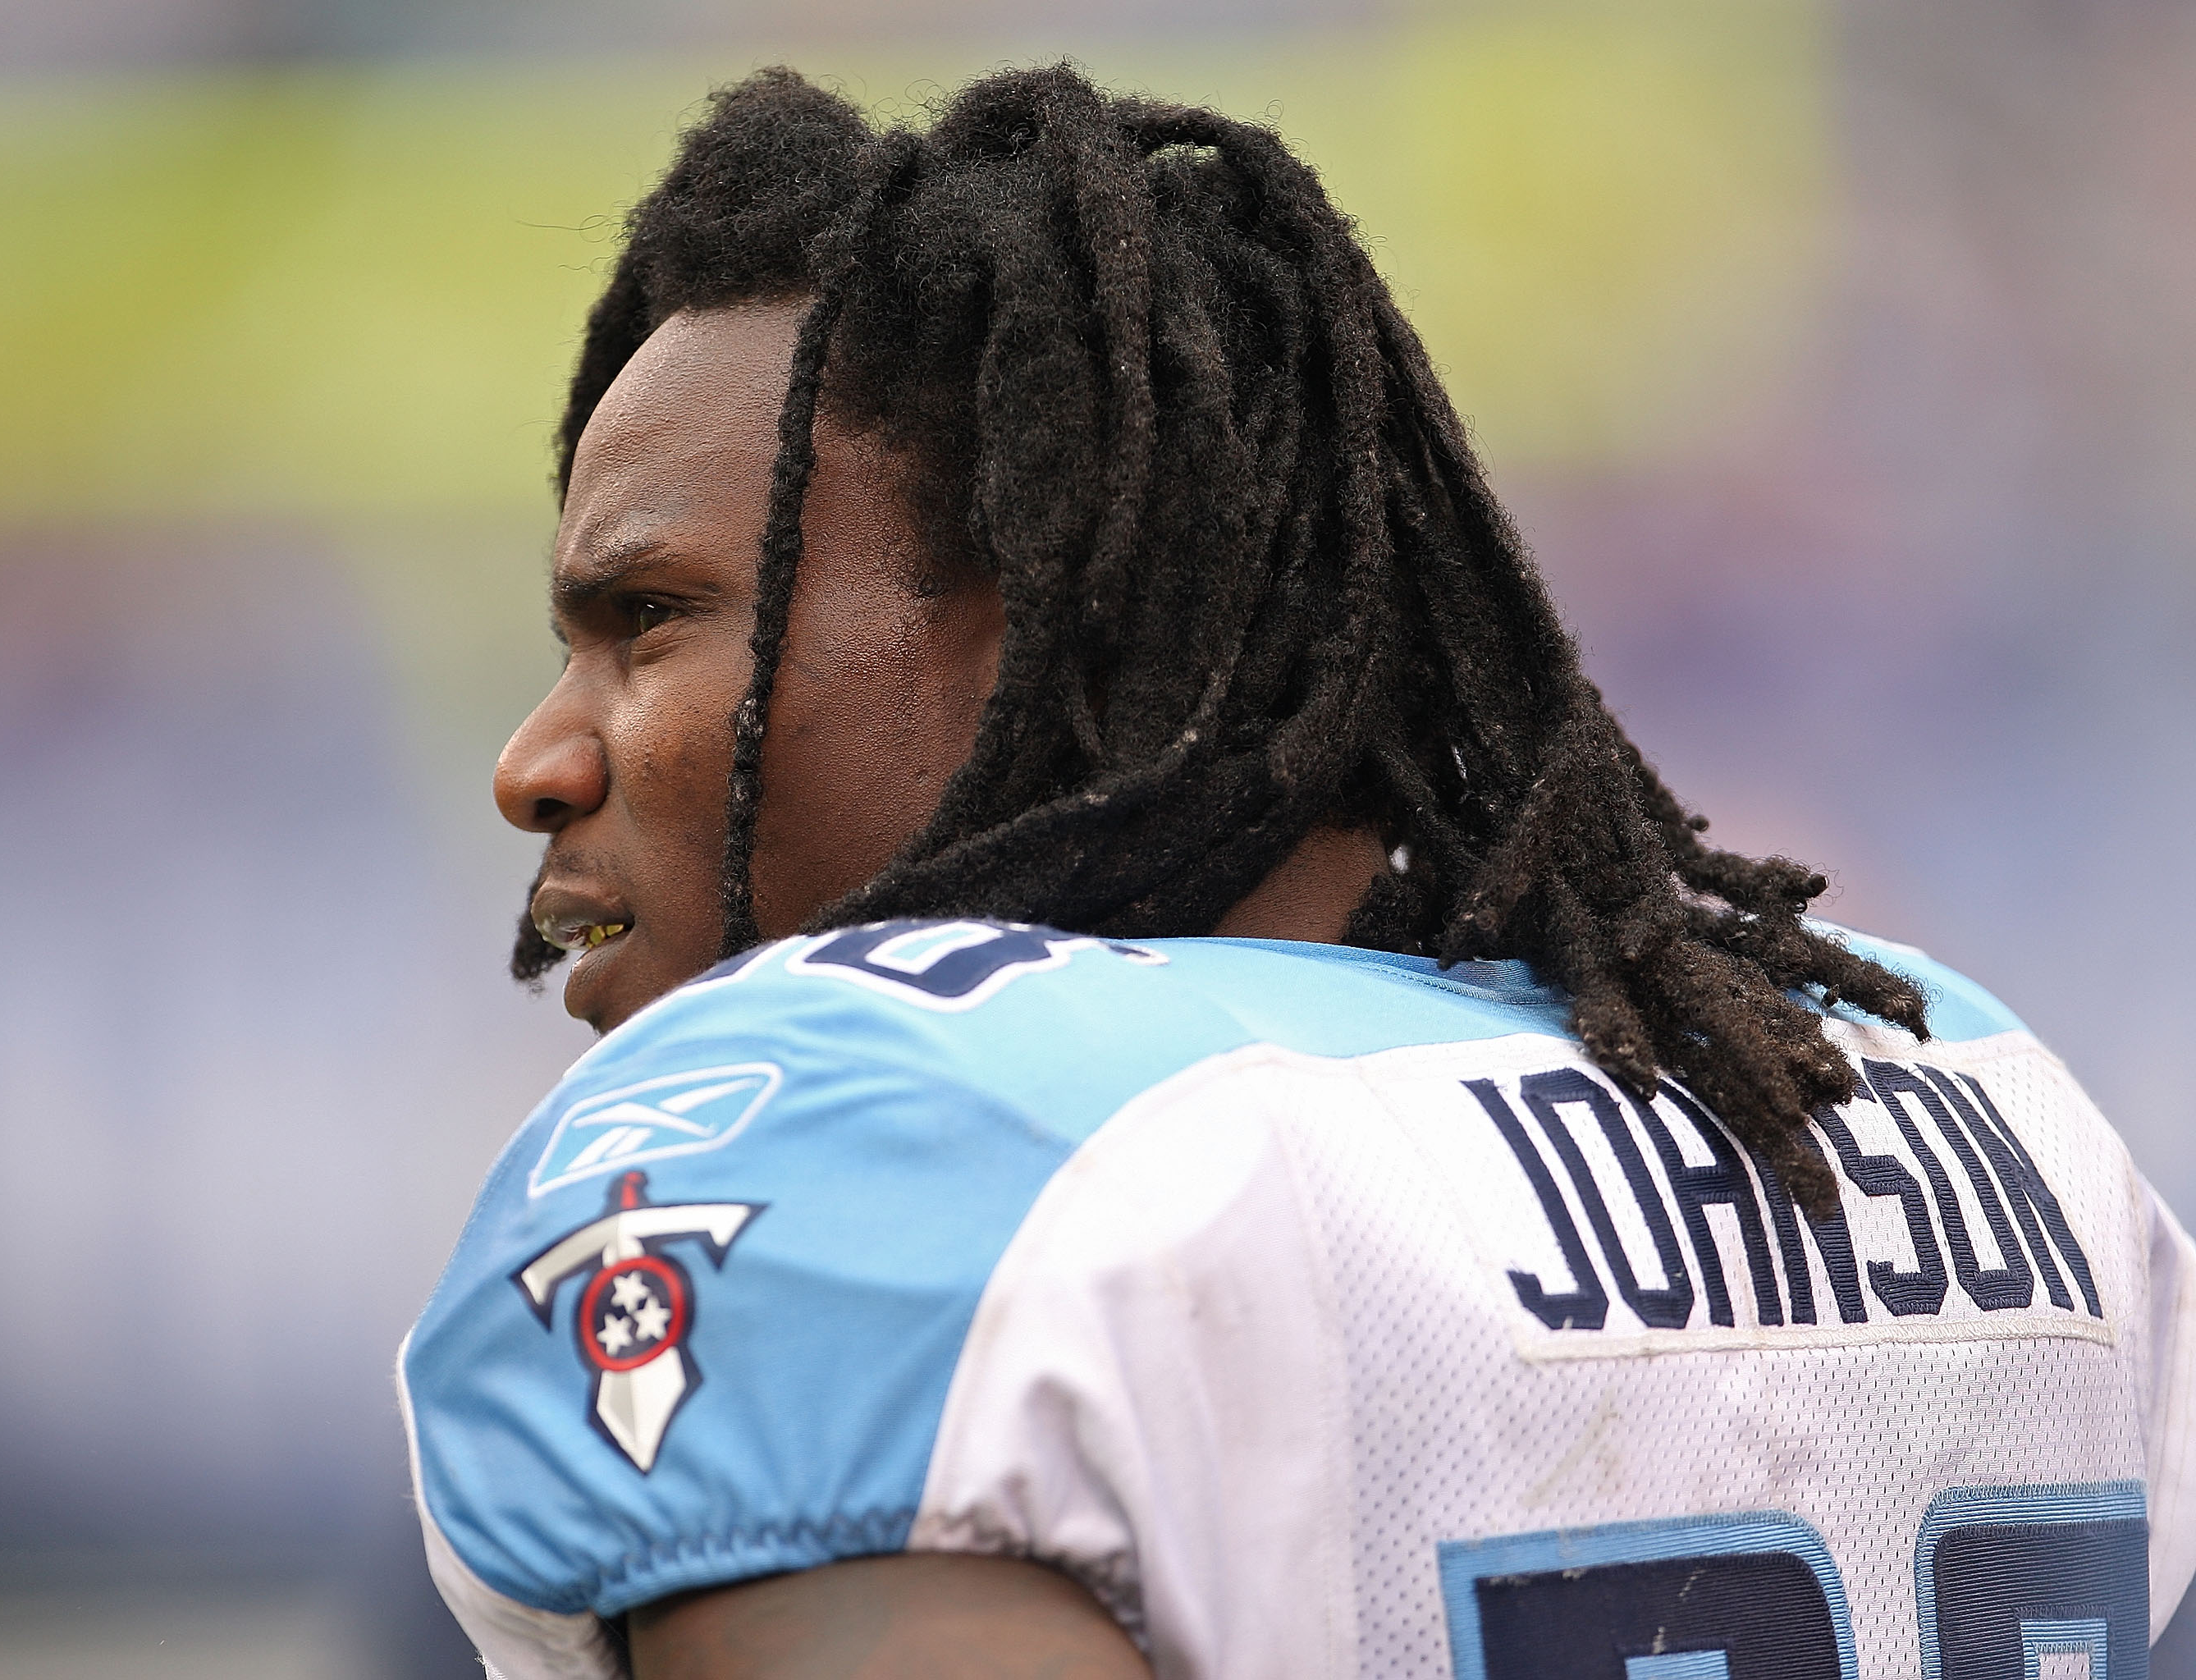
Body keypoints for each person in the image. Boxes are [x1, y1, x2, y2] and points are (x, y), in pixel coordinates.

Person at [398, 64, 2196, 1680]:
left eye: (649, 622)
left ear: (1064, 624)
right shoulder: (1953, 1080)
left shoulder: (836, 1142)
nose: (536, 759)